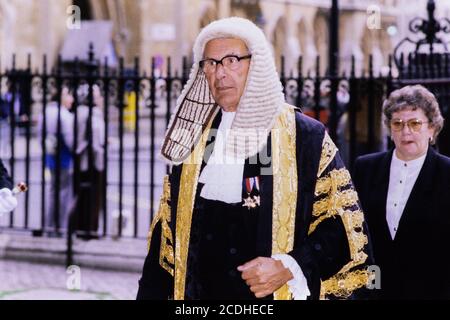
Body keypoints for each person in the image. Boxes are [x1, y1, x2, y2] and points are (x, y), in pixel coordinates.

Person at [137, 17, 372, 300]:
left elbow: (343, 226)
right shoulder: (194, 138)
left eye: (232, 60)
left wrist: (288, 266)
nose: (219, 73)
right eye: (210, 63)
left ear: (257, 64)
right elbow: (166, 240)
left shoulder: (304, 138)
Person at [353, 85, 450, 299]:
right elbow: (356, 235)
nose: (406, 131)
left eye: (415, 123)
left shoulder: (446, 173)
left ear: (432, 128)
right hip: (375, 292)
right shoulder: (366, 168)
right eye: (397, 124)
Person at [38, 86, 74, 234]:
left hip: (51, 156)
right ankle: (60, 226)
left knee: (53, 191)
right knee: (64, 192)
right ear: (61, 97)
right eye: (68, 95)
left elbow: (40, 135)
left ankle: (49, 225)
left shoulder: (45, 112)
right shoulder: (64, 114)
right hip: (64, 157)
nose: (70, 98)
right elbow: (70, 139)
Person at [75, 84, 105, 239]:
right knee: (92, 197)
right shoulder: (93, 114)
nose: (101, 98)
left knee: (83, 195)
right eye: (99, 95)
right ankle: (90, 230)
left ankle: (81, 227)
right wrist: (102, 148)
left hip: (82, 161)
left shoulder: (79, 112)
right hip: (92, 161)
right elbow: (94, 140)